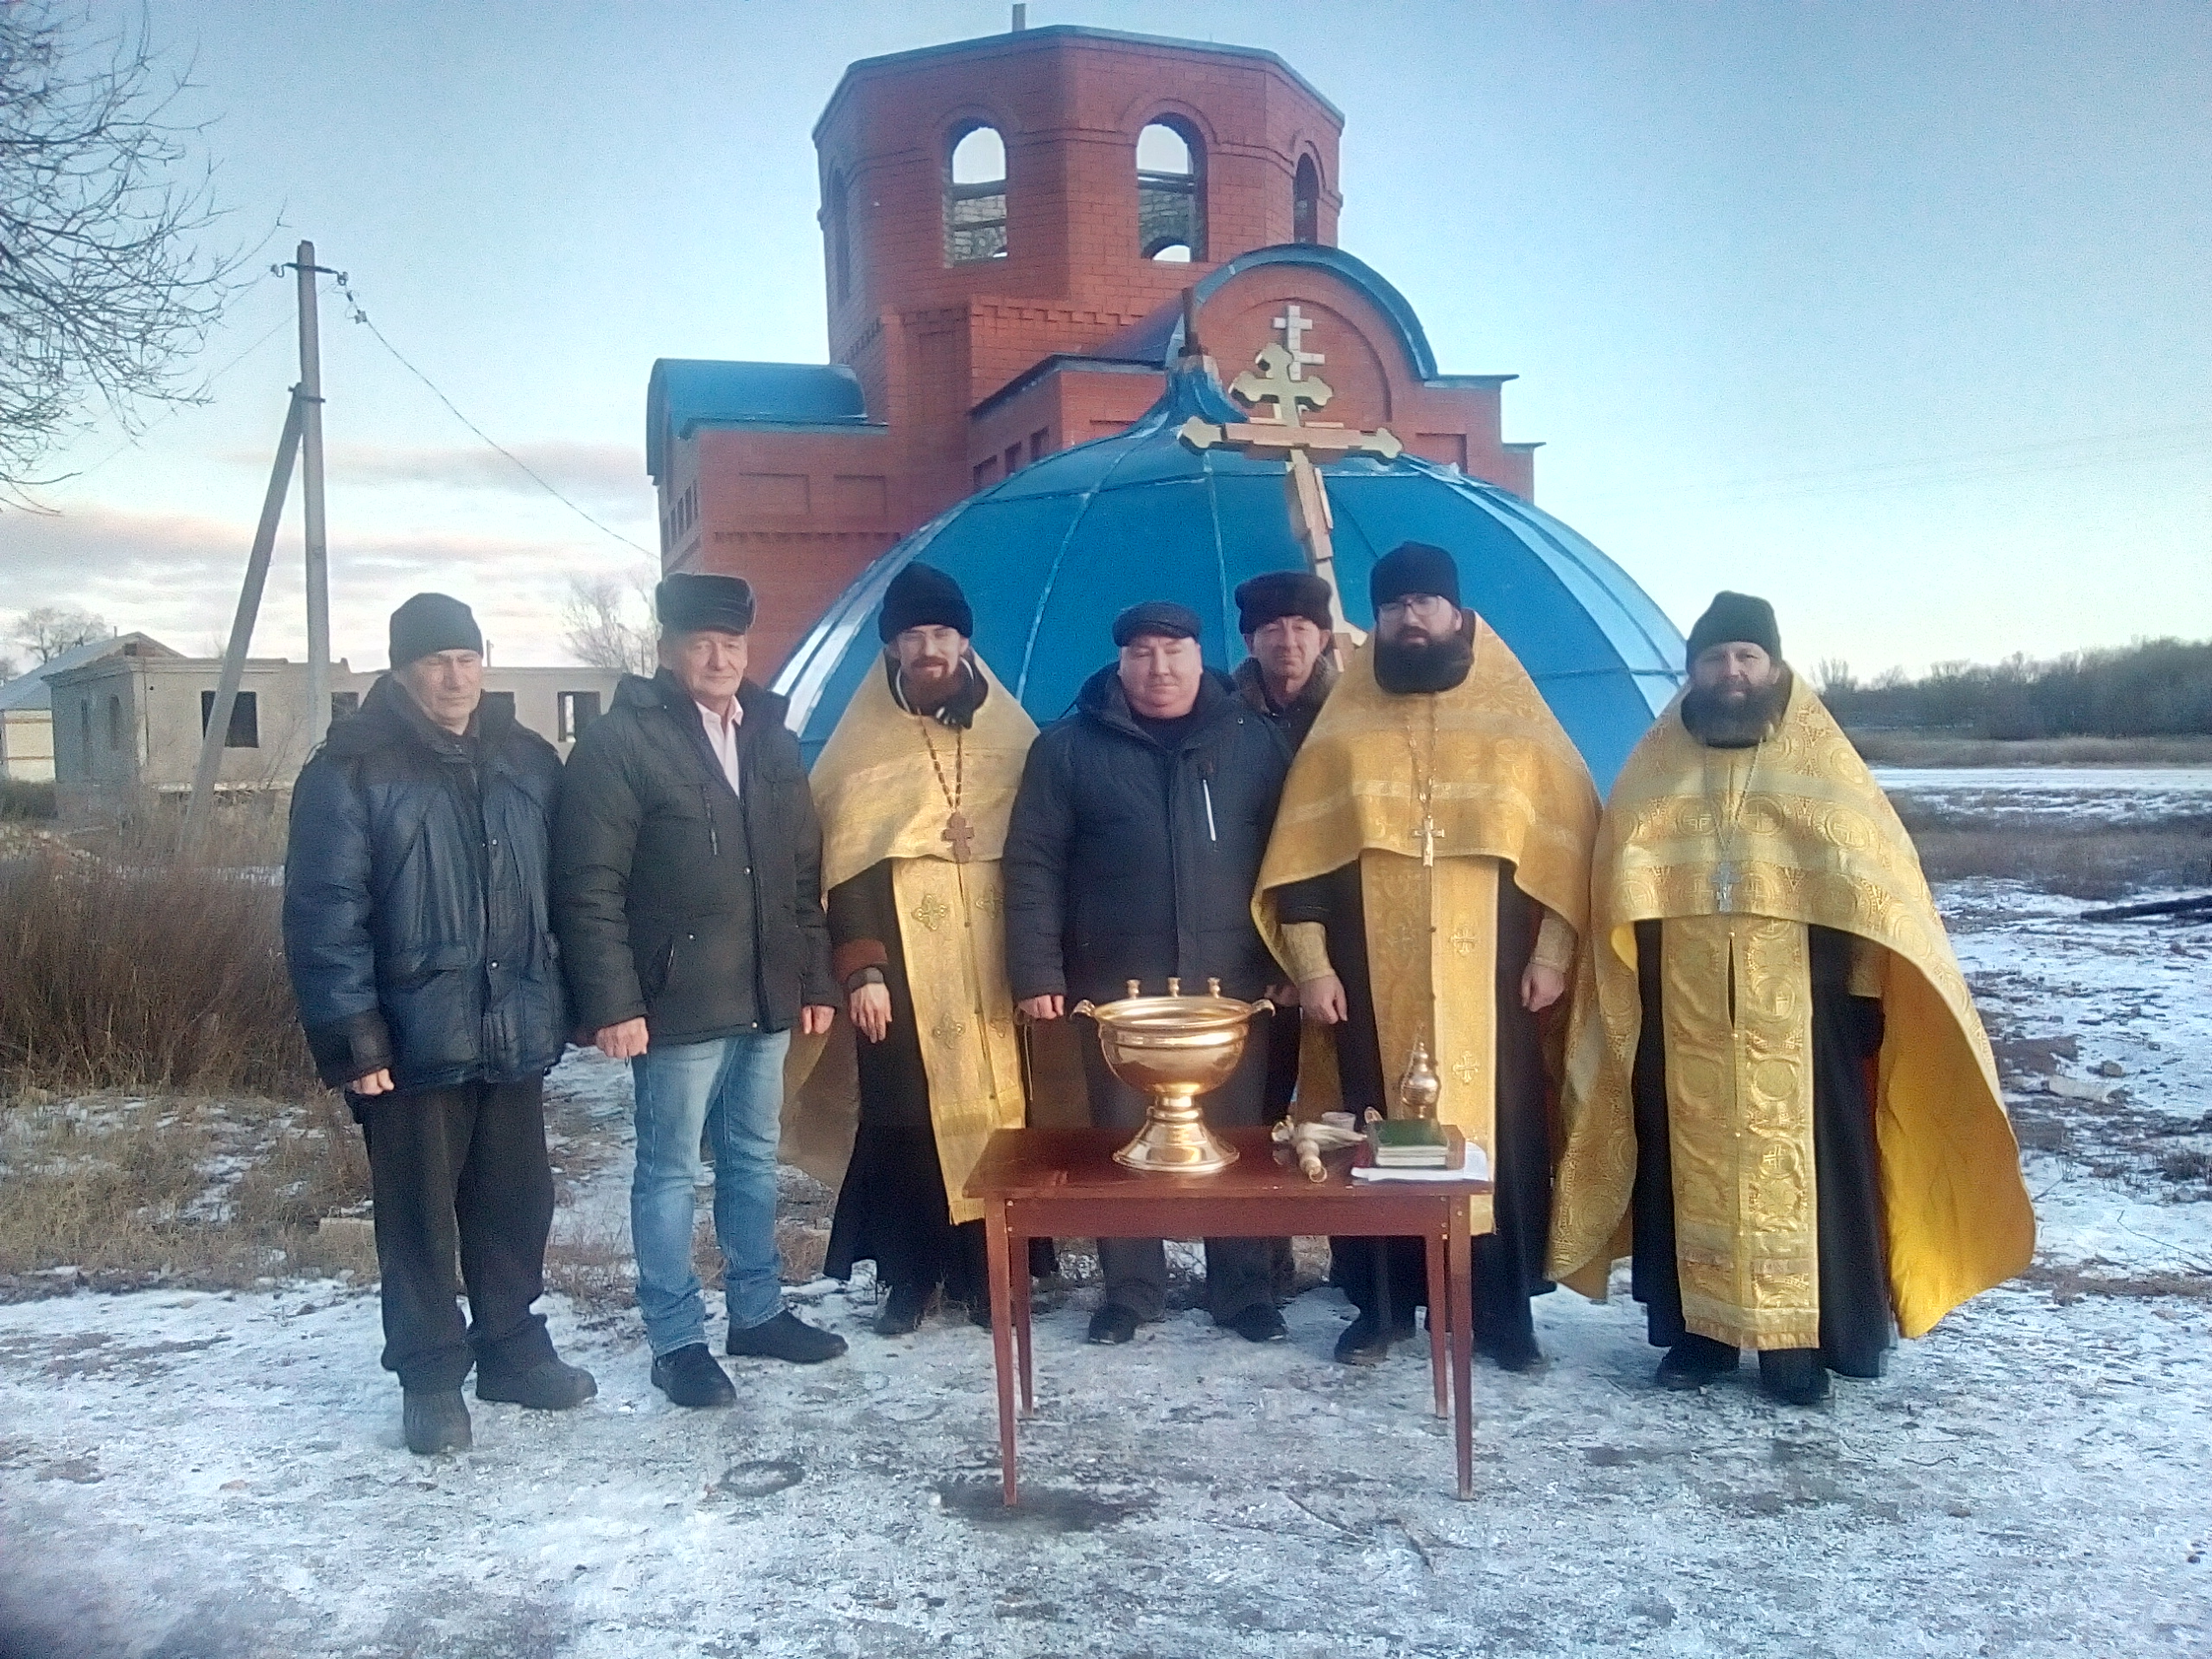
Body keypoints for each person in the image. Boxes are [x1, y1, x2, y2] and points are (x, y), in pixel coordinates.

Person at [1548, 593, 2035, 1404]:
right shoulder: (1655, 769)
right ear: (1692, 671)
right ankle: (1700, 1334)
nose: (1730, 673)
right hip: (1684, 1014)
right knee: (1684, 1168)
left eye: (1746, 657)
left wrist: (1863, 993)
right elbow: (1615, 885)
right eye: (1713, 659)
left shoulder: (1824, 765)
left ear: (1773, 666)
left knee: (1815, 1176)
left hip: (1806, 1019)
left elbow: (1876, 896)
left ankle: (1798, 1344)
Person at [1254, 543, 1599, 1370]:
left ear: (1457, 613)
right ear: (1378, 623)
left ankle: (1501, 1312)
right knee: (1374, 1137)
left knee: (1500, 1138)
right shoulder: (1344, 730)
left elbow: (1566, 848)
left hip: (1496, 980)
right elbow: (1306, 865)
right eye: (1395, 608)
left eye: (1426, 604)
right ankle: (1381, 1306)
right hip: (1372, 982)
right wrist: (1311, 966)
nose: (1412, 620)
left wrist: (1553, 955)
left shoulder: (1520, 722)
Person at [284, 593, 594, 1456]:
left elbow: (569, 889)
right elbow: (323, 913)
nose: (453, 676)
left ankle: (510, 1351)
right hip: (411, 1041)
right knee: (418, 1218)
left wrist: (574, 997)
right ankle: (429, 1378)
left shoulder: (527, 759)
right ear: (400, 671)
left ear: (483, 661)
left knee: (515, 1203)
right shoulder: (351, 768)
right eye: (432, 662)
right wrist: (354, 1038)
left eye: (465, 657)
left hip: (511, 1028)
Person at [553, 573, 843, 1410]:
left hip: (763, 995)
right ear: (666, 649)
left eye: (732, 644)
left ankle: (757, 1312)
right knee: (671, 1170)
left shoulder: (771, 738)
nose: (718, 658)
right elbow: (589, 886)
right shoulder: (621, 744)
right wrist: (613, 1003)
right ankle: (676, 1339)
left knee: (754, 1158)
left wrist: (811, 974)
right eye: (700, 643)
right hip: (674, 1004)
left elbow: (800, 870)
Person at [1002, 600, 1294, 1345]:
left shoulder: (1254, 743)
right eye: (1142, 654)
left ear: (1202, 659)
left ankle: (1243, 1287)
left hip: (1230, 981)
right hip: (1115, 986)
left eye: (1174, 652)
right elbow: (1034, 862)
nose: (1158, 669)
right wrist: (1038, 967)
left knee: (1235, 1136)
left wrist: (1286, 960)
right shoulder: (1066, 748)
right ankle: (1130, 1288)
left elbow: (1288, 862)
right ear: (1121, 664)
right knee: (1120, 1138)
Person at [809, 563, 1038, 1334]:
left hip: (995, 962)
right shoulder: (861, 747)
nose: (929, 649)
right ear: (893, 650)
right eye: (914, 636)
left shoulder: (1013, 735)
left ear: (966, 644)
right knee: (905, 1115)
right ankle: (911, 1277)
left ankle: (989, 1272)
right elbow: (847, 865)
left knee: (1005, 1113)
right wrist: (864, 970)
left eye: (942, 634)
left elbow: (1043, 852)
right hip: (903, 970)